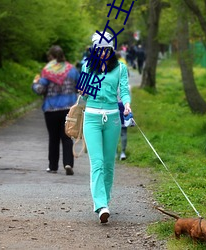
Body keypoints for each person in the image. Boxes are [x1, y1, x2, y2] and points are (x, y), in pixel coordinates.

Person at [80, 32, 131, 223]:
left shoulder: (120, 69)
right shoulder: (87, 66)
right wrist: (83, 92)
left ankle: (106, 201)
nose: (101, 53)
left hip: (112, 119)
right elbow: (84, 96)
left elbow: (124, 90)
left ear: (111, 50)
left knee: (109, 164)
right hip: (92, 118)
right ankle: (101, 205)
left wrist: (127, 104)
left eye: (105, 50)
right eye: (98, 50)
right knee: (98, 162)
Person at [32, 45, 80, 175]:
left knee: (53, 138)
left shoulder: (47, 71)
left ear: (51, 57)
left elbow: (40, 90)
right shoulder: (72, 70)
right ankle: (68, 163)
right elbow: (79, 87)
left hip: (51, 109)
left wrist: (35, 83)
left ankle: (53, 167)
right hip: (68, 109)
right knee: (67, 136)